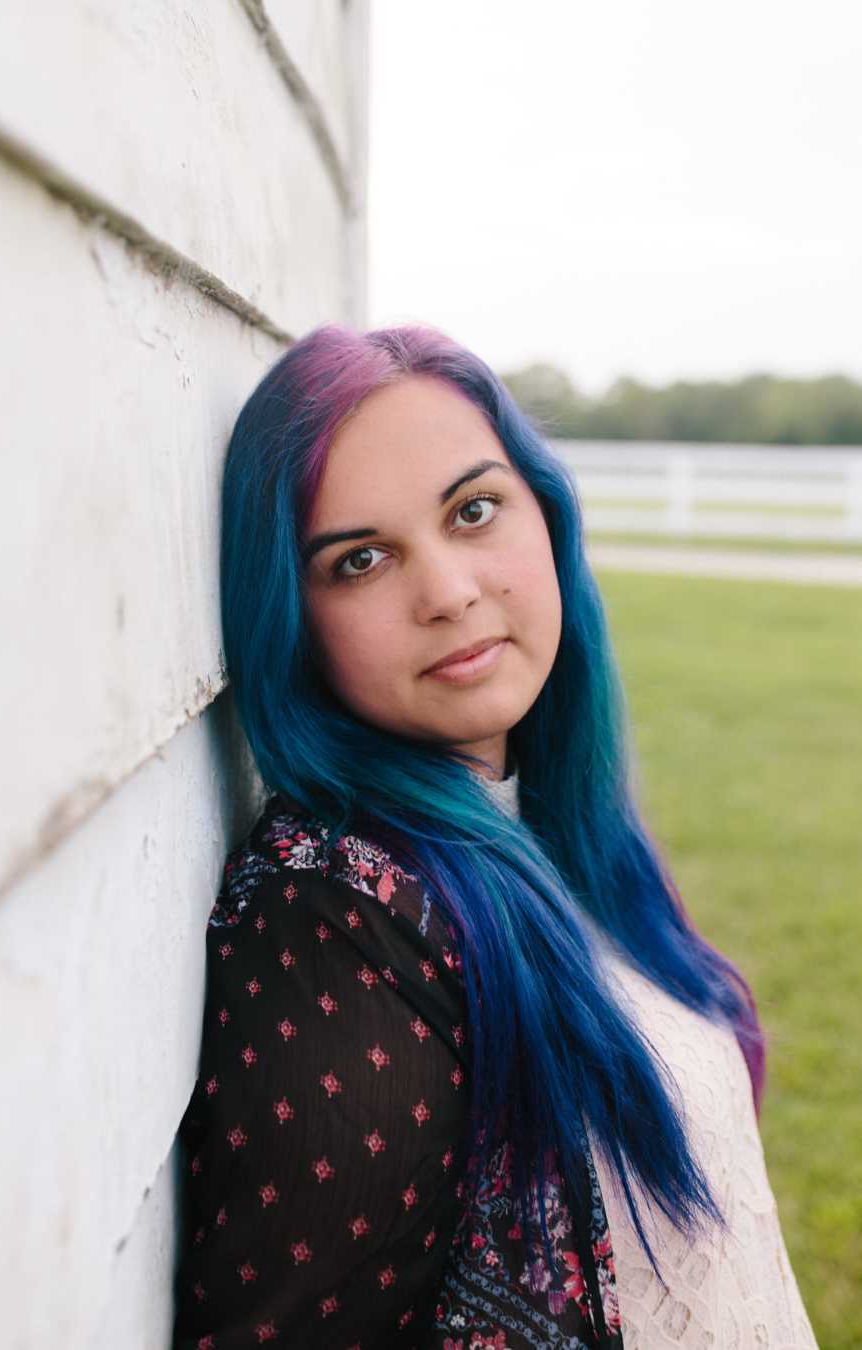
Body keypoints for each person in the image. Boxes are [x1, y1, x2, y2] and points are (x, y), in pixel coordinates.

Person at [171, 324, 818, 1349]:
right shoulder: (335, 921)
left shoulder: (557, 828)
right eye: (361, 559)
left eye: (473, 511)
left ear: (546, 518)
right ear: (291, 619)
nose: (448, 592)